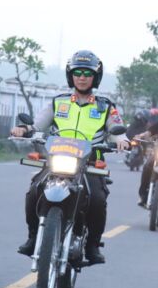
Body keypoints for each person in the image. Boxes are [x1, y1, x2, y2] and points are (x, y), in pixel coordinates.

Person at [13, 50, 128, 264]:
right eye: (77, 72)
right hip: (57, 159)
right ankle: (32, 237)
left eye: (87, 73)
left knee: (97, 199)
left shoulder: (105, 106)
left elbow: (116, 130)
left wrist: (121, 139)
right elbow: (37, 124)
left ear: (95, 77)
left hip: (89, 163)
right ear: (70, 75)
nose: (82, 77)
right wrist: (23, 129)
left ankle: (92, 246)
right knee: (34, 191)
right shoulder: (58, 102)